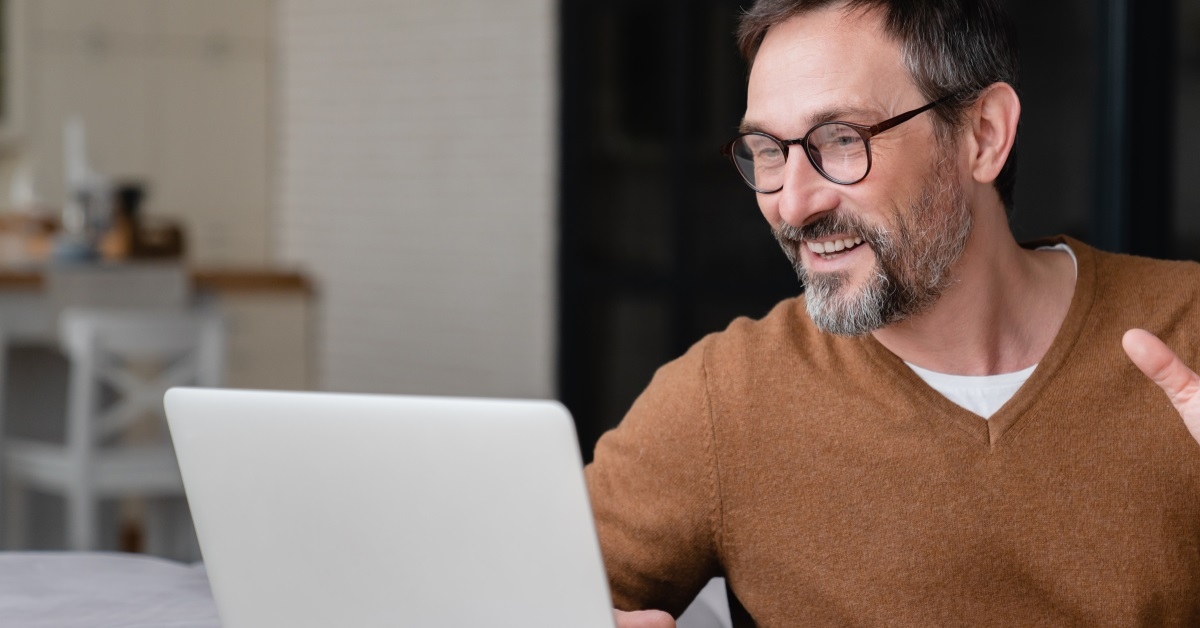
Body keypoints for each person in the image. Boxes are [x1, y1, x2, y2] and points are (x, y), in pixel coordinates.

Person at [587, 0, 1200, 626]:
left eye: (841, 139)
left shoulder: (1191, 335)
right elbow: (535, 591)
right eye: (768, 150)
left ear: (984, 134)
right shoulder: (723, 397)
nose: (792, 205)